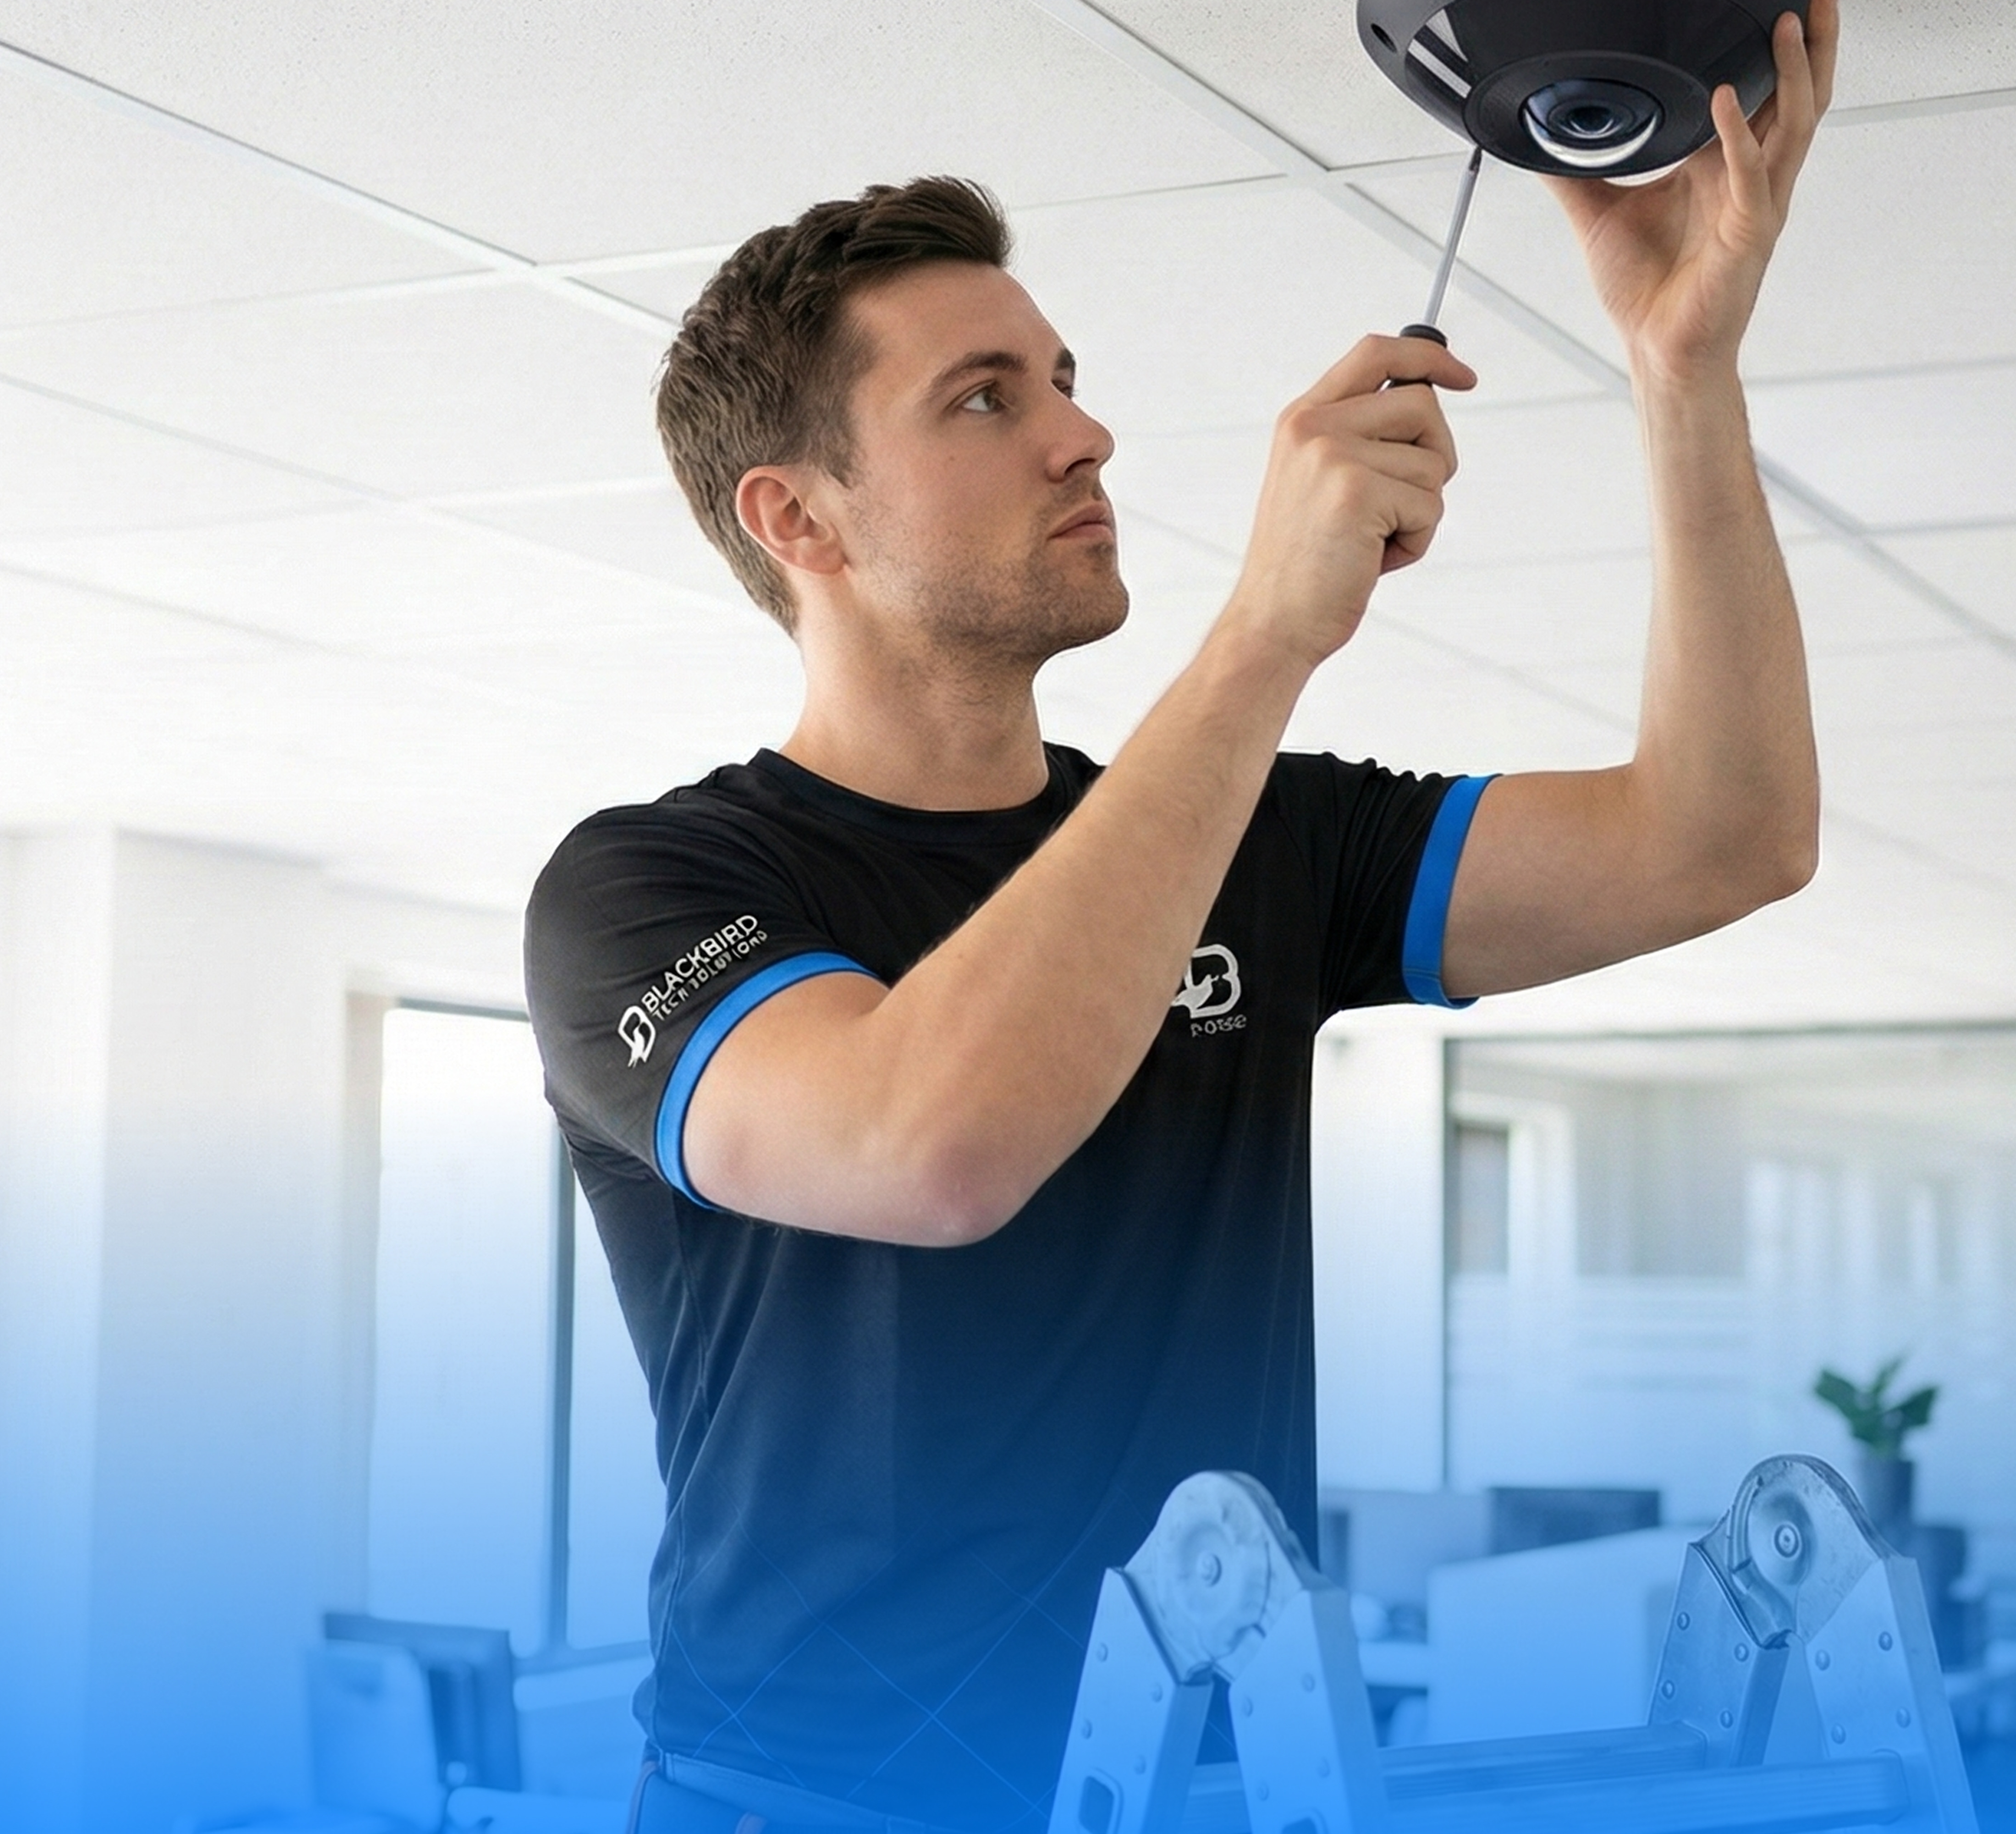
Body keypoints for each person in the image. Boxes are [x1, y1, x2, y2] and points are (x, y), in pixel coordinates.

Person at [524, 9, 1836, 1828]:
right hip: (801, 1795)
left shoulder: (1266, 839)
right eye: (986, 398)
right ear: (795, 517)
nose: (1086, 433)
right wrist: (1261, 637)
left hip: (1190, 1779)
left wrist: (1682, 363)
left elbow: (1730, 832)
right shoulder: (646, 893)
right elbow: (931, 1146)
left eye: (1062, 375)